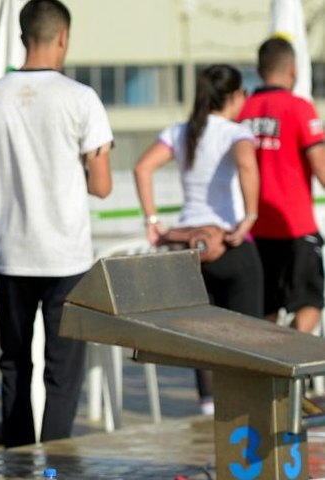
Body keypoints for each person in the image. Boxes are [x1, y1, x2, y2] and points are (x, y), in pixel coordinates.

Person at [0, 0, 112, 448]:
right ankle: (56, 463)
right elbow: (102, 186)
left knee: (14, 362)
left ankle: (18, 458)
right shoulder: (81, 97)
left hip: (11, 250)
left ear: (22, 36)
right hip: (67, 254)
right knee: (62, 368)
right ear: (63, 37)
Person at [134, 64, 263, 415]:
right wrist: (248, 217)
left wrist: (153, 222)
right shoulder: (235, 133)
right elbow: (248, 166)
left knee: (202, 340)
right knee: (248, 338)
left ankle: (208, 409)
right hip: (230, 244)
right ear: (235, 96)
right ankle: (243, 414)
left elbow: (142, 168)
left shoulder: (179, 131)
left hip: (189, 249)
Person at [237, 37, 325, 334]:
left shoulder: (243, 110)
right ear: (293, 69)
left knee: (267, 309)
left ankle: (275, 369)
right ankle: (296, 365)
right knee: (311, 301)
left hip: (255, 228)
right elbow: (320, 164)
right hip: (296, 226)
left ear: (260, 70)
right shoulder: (300, 108)